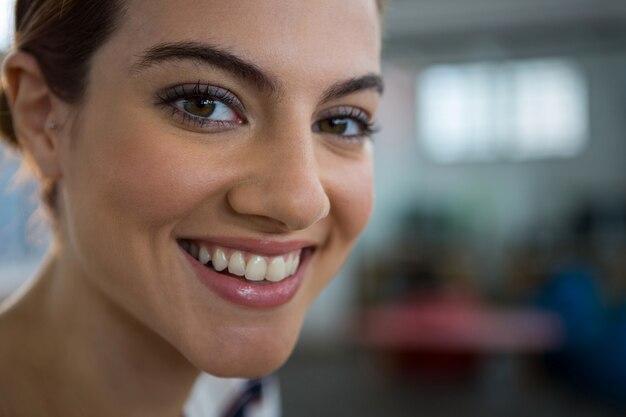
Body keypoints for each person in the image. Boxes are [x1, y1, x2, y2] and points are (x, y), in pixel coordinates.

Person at [0, 0, 385, 416]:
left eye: (341, 123)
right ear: (41, 116)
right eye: (204, 104)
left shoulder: (238, 394)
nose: (300, 202)